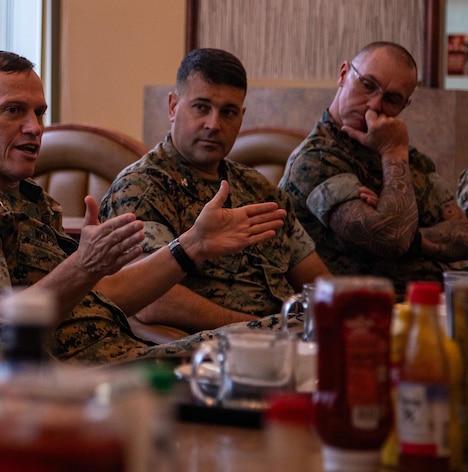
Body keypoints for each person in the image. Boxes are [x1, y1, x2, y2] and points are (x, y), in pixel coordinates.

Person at [0, 50, 289, 362]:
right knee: (283, 344)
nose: (34, 127)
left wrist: (191, 246)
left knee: (297, 332)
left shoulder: (21, 199)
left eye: (39, 113)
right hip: (72, 388)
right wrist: (82, 265)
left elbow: (105, 295)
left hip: (121, 361)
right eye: (13, 111)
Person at [99, 48, 330, 332]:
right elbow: (152, 301)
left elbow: (318, 282)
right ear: (173, 107)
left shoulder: (259, 188)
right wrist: (259, 331)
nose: (214, 124)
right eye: (201, 107)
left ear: (241, 117)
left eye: (228, 113)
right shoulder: (141, 188)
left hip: (290, 336)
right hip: (213, 345)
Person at [281, 41, 468, 297]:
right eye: (367, 84)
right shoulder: (316, 158)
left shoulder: (413, 159)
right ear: (343, 74)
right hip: (362, 307)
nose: (375, 105)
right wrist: (392, 153)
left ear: (403, 106)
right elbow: (392, 238)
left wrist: (410, 234)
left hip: (432, 301)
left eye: (392, 99)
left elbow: (467, 240)